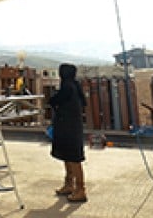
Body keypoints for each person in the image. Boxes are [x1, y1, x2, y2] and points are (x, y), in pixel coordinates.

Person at [47, 63, 87, 202]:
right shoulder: (75, 85)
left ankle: (80, 189)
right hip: (70, 126)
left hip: (68, 127)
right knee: (67, 156)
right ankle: (69, 184)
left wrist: (52, 100)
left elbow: (55, 100)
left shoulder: (67, 87)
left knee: (74, 158)